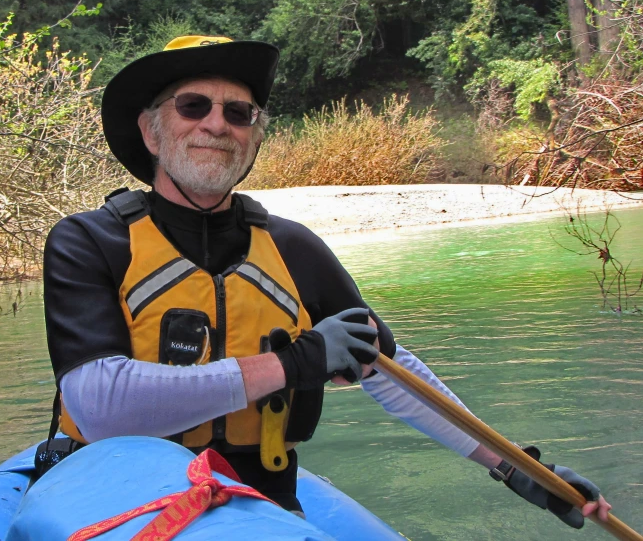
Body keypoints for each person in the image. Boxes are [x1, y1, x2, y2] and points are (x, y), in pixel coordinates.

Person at [42, 35, 611, 525]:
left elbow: (390, 371)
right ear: (150, 131)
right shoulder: (90, 242)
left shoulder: (294, 249)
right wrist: (291, 365)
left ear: (255, 137)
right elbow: (100, 407)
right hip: (116, 503)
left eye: (239, 113)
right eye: (193, 106)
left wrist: (519, 468)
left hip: (262, 507)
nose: (217, 124)